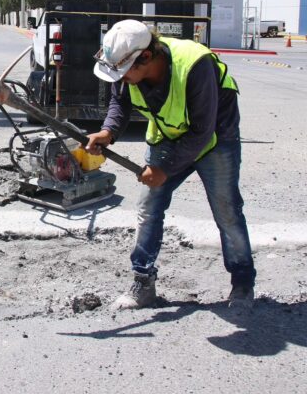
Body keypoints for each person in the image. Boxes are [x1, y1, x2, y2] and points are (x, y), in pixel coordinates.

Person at [85, 19, 256, 310]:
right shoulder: (126, 71)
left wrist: (165, 169)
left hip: (216, 138)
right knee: (149, 209)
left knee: (227, 211)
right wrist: (108, 132)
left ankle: (242, 284)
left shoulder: (194, 64)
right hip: (168, 134)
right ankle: (143, 281)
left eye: (126, 72)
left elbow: (202, 131)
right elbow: (120, 105)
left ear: (147, 56)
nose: (122, 78)